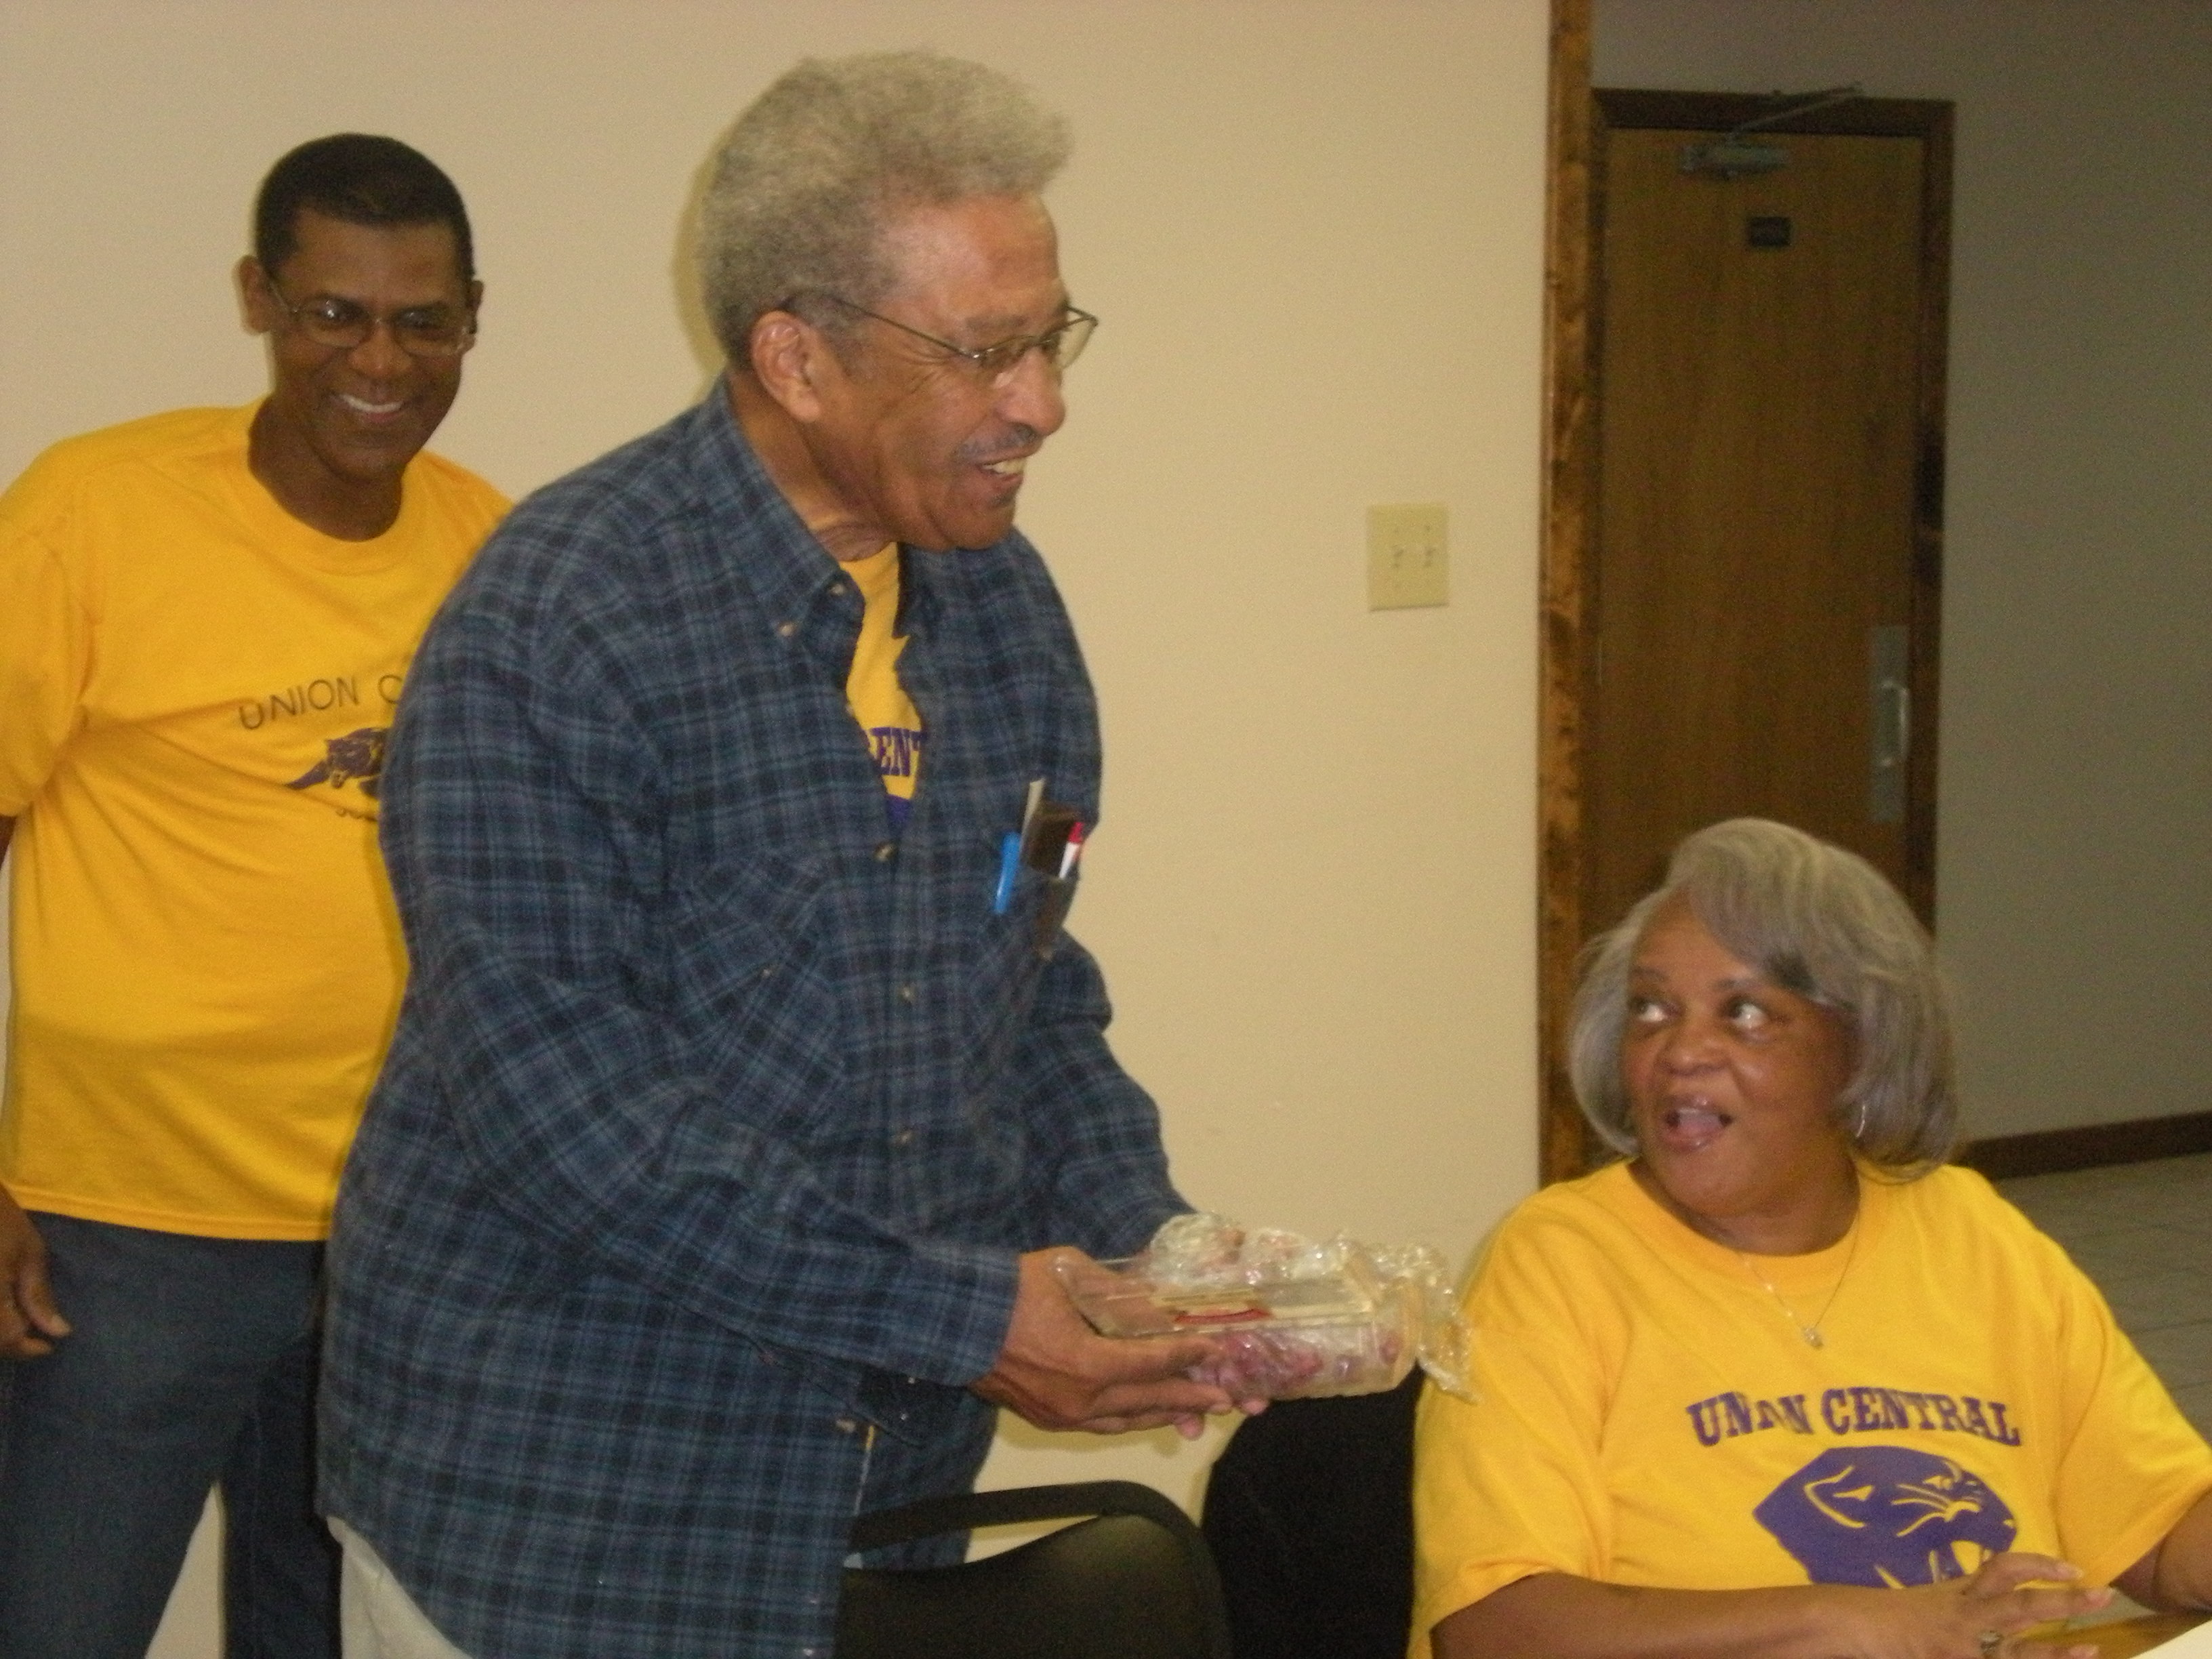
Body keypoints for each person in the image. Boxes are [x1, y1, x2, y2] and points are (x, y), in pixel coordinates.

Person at [320, 51, 1250, 1659]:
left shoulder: (1003, 611)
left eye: (1050, 336)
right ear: (795, 357)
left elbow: (1027, 992)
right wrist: (975, 1318)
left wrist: (1150, 1253)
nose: (1043, 400)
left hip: (870, 1498)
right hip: (566, 1512)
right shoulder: (561, 615)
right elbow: (571, 1116)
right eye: (985, 351)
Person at [0, 135, 504, 1658]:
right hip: (121, 1240)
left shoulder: (496, 546)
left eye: (422, 320)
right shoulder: (96, 511)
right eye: (333, 312)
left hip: (404, 1240)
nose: (379, 359)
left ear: (474, 317)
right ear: (259, 301)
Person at [1412, 818, 2212, 1659]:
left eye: (1745, 1012)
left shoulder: (1971, 1233)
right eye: (1651, 1010)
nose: (1681, 1052)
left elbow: (2156, 1531)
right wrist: (1850, 1621)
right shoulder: (1557, 1261)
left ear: (1862, 1047)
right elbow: (1494, 1625)